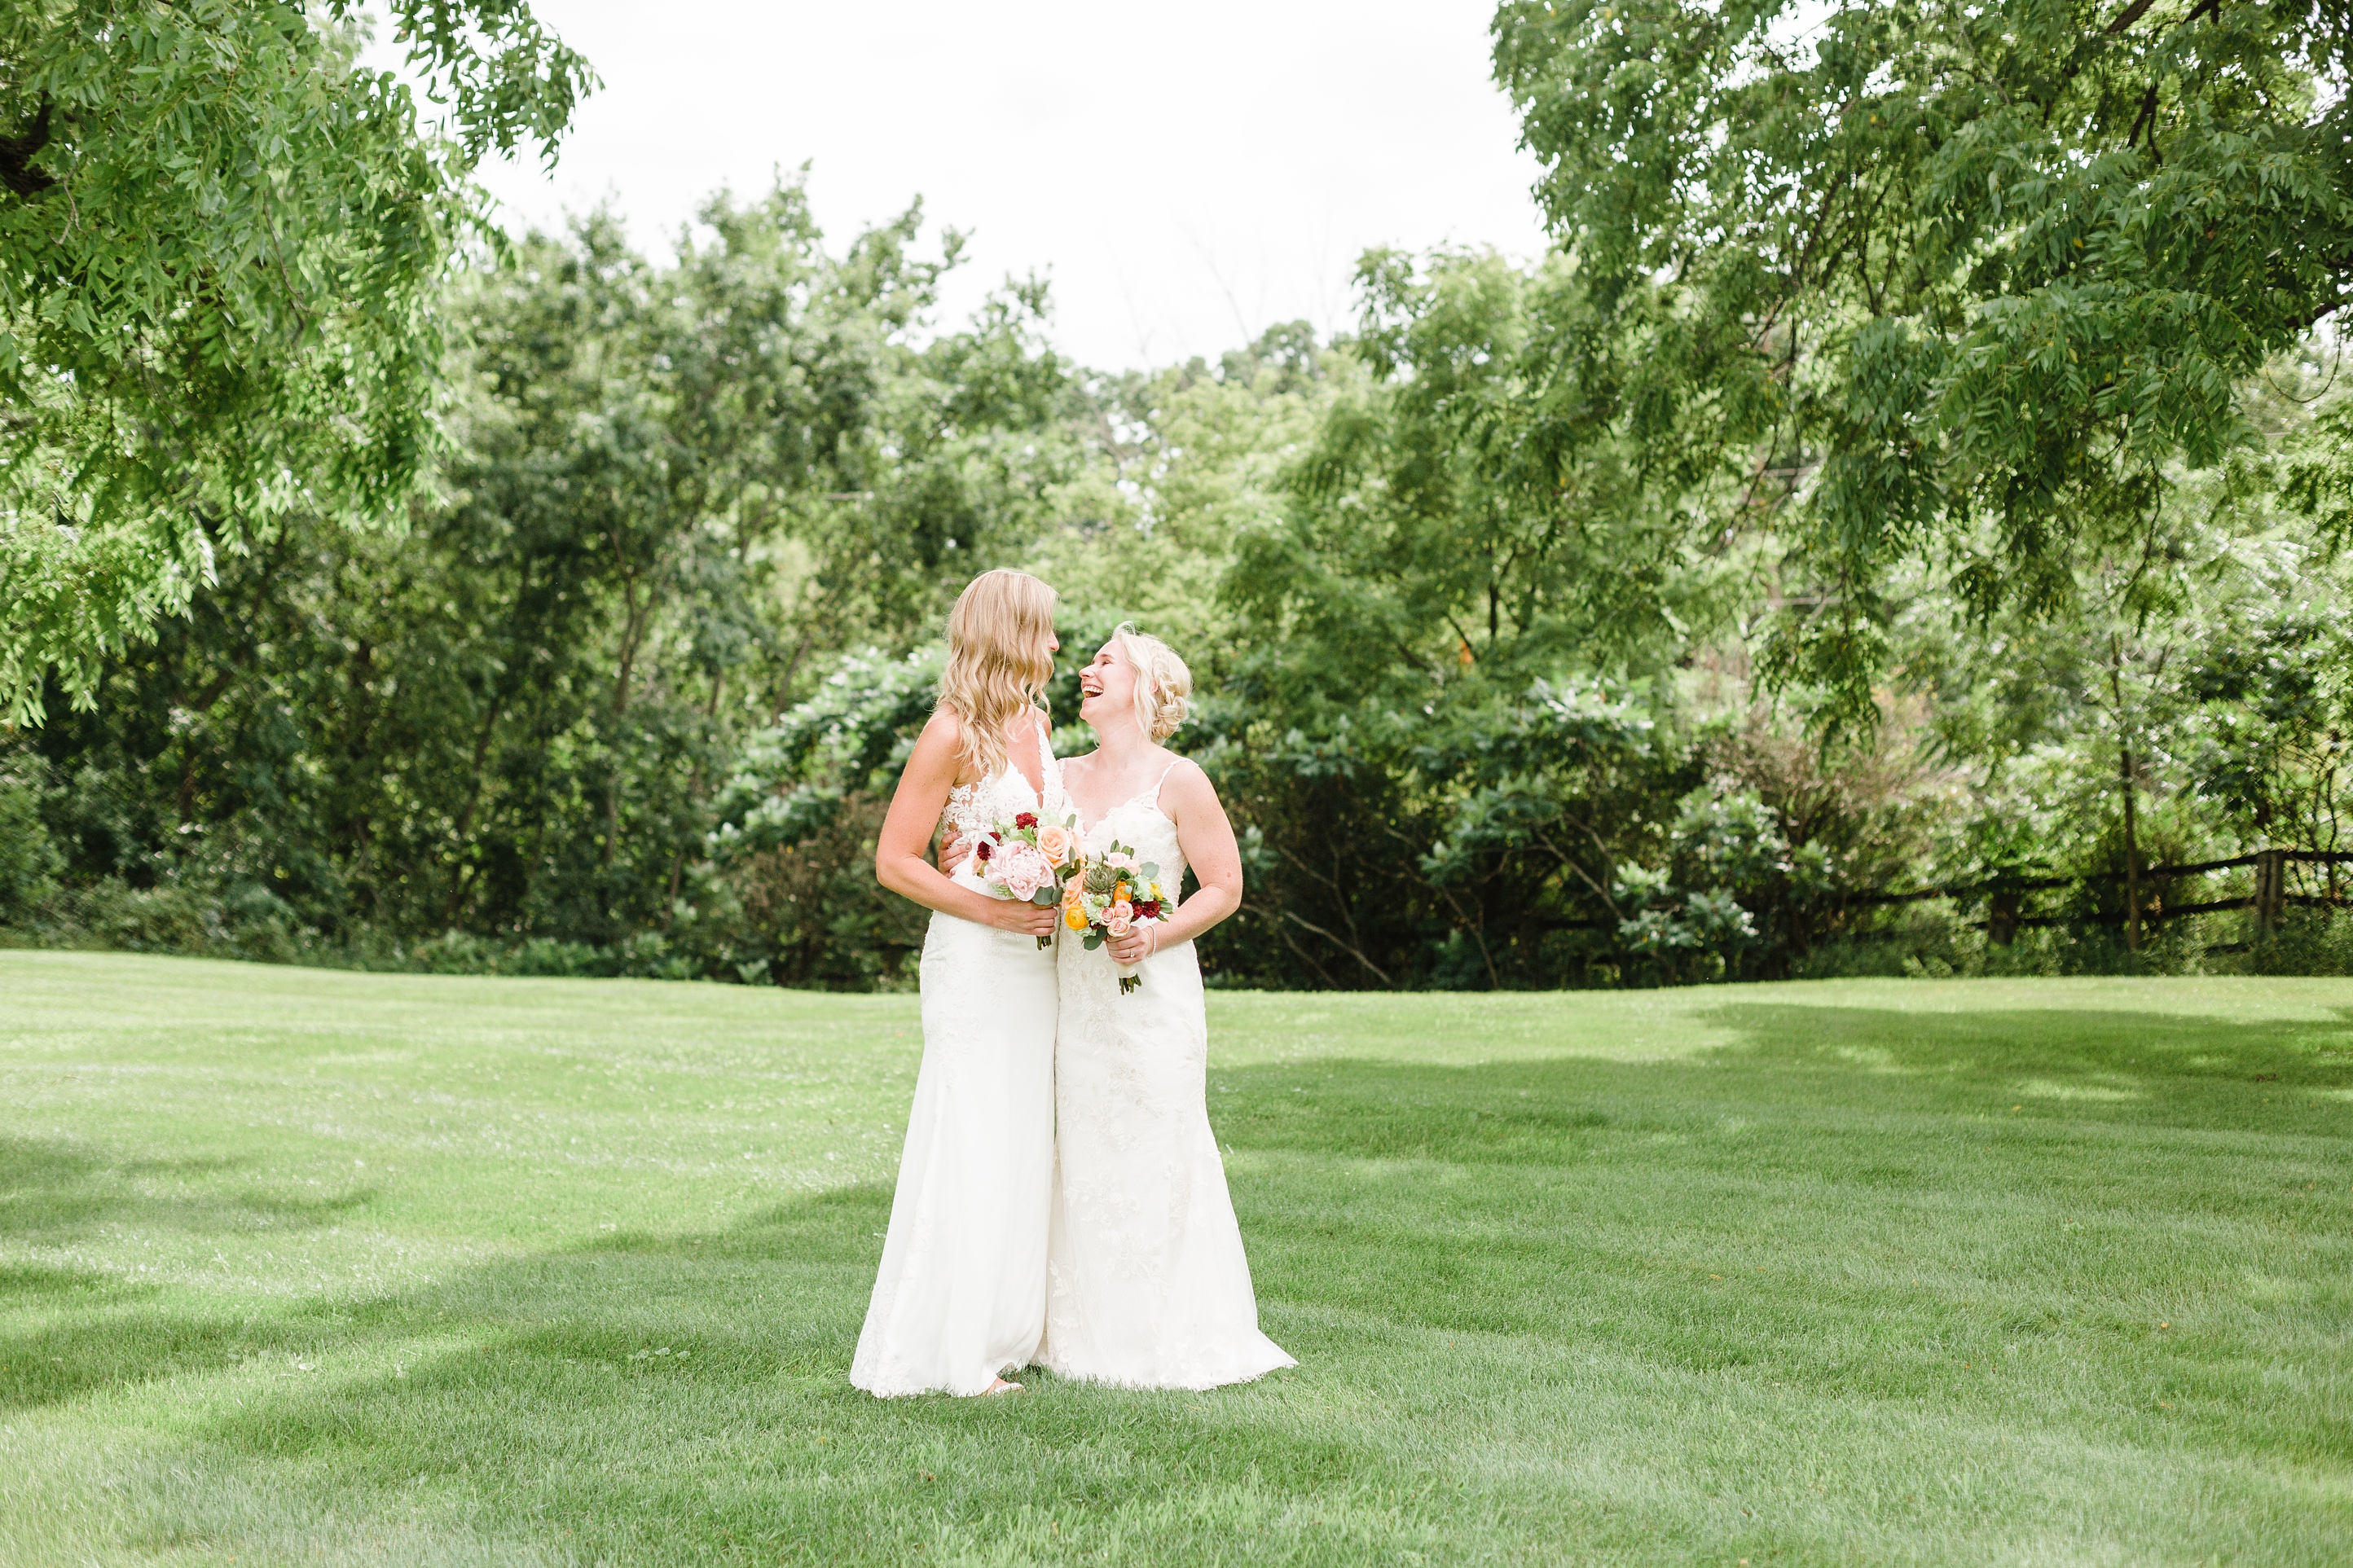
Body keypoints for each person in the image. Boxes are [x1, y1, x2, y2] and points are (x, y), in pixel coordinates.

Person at [1036, 626, 1295, 1388]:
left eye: (1104, 662)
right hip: (1073, 997)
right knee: (1079, 1146)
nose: (1085, 669)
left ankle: (1167, 1329)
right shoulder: (1058, 775)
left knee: (1156, 1142)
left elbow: (1224, 887)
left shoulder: (1181, 781)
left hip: (1153, 997)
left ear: (1145, 687)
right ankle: (1076, 1327)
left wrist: (1152, 933)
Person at [849, 569, 1066, 1397]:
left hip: (1032, 962)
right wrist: (989, 909)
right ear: (1009, 633)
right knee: (969, 1134)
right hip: (975, 961)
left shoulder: (1036, 723)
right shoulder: (949, 731)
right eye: (1043, 629)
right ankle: (942, 1351)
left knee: (1016, 1138)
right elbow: (894, 859)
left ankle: (997, 1333)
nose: (1052, 644)